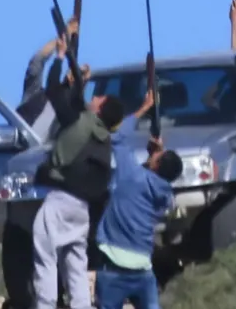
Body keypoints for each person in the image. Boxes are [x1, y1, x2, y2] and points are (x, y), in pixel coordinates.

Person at [32, 32, 127, 309]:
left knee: (44, 254)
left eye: (98, 98)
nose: (94, 97)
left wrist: (61, 57)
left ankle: (46, 305)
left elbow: (52, 91)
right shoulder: (103, 136)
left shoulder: (80, 121)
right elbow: (72, 104)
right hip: (82, 209)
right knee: (75, 264)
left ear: (100, 109)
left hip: (60, 202)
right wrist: (79, 83)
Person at [94, 122, 184, 309]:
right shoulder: (165, 196)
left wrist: (142, 110)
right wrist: (157, 156)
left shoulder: (130, 174)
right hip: (142, 268)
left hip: (113, 266)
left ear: (156, 163)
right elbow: (153, 179)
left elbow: (116, 138)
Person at [16, 18, 90, 143]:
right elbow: (37, 62)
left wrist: (84, 80)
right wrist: (62, 38)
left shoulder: (70, 115)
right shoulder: (34, 95)